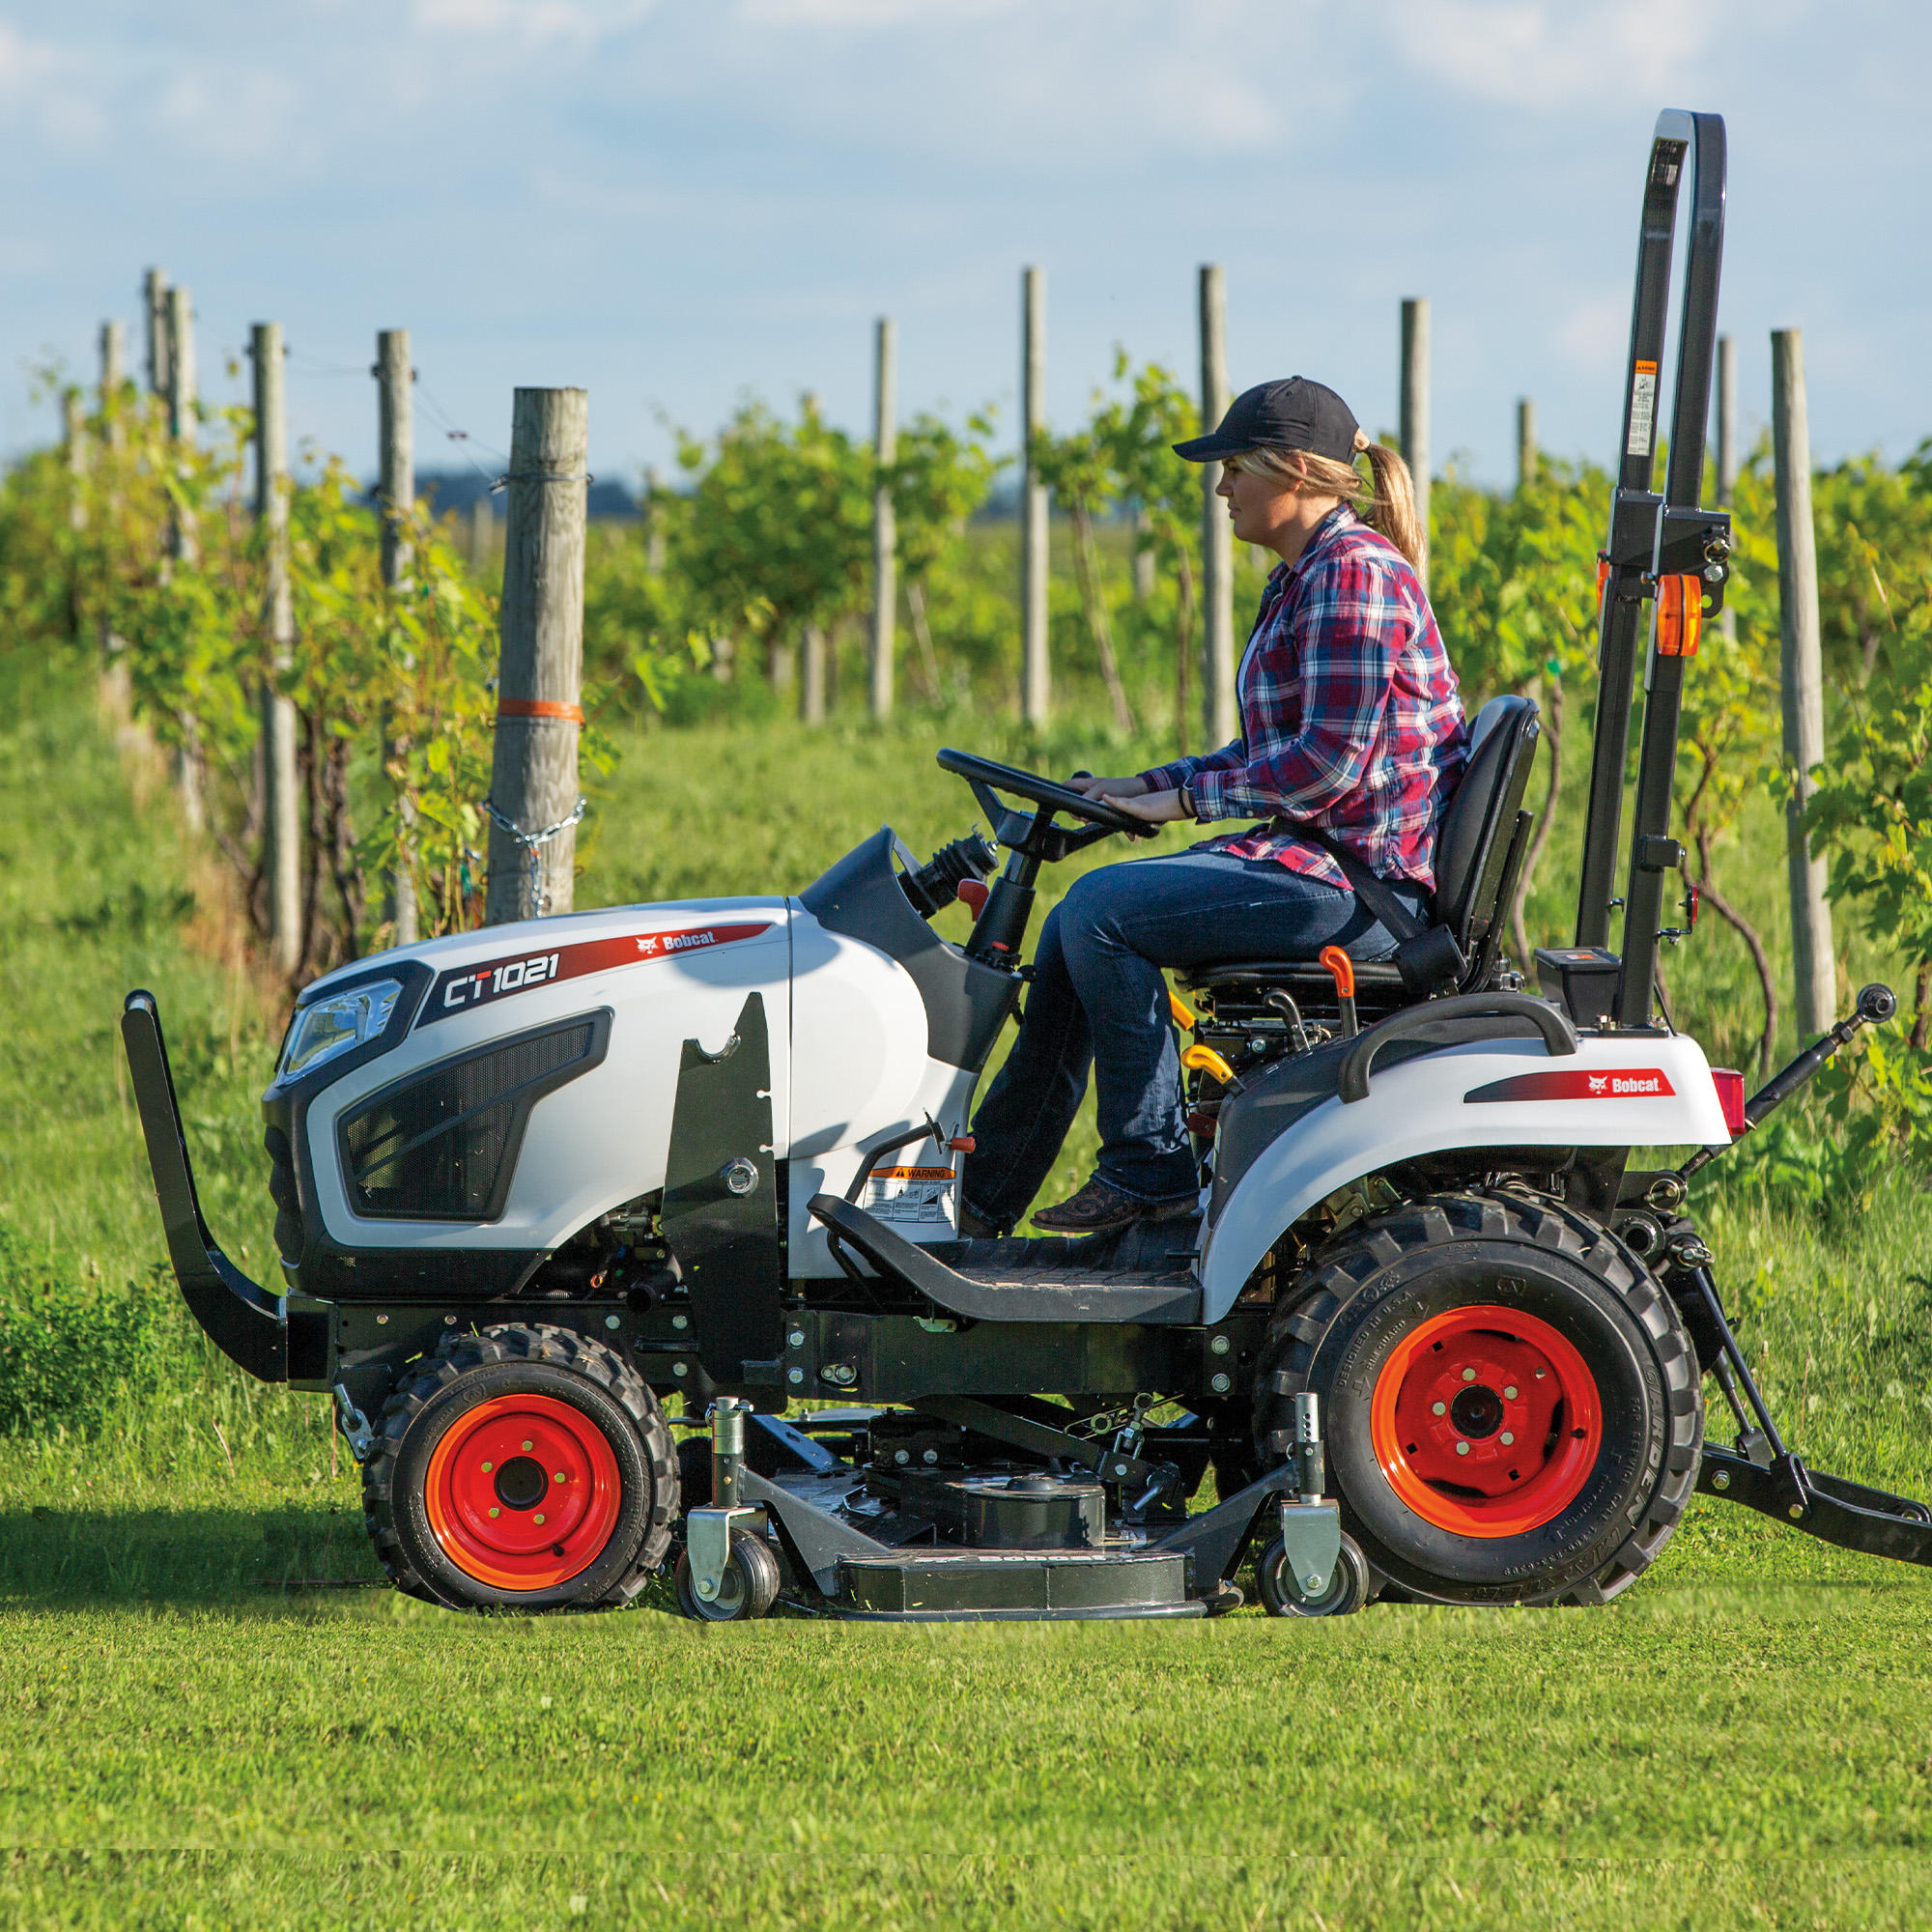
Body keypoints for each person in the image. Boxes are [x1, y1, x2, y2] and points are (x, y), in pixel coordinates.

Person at [959, 376, 1468, 1239]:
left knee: (1100, 914)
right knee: (1072, 925)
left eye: (1236, 468)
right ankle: (980, 1206)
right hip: (1323, 862)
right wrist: (1142, 787)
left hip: (1362, 892)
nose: (1222, 487)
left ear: (1297, 474)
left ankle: (1149, 1172)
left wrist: (1184, 801)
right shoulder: (1305, 576)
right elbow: (1269, 750)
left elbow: (1324, 769)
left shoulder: (1354, 576)